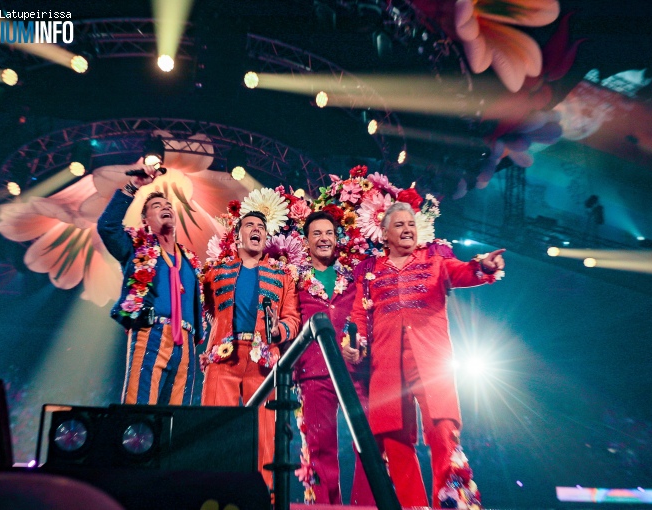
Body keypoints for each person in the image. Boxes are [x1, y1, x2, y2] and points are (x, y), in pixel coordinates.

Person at [345, 199, 505, 508]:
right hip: (387, 364)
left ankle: (451, 502)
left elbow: (465, 272)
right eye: (399, 225)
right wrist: (352, 346)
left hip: (432, 361)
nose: (407, 230)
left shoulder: (435, 261)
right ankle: (413, 505)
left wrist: (484, 266)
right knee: (394, 437)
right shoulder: (370, 273)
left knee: (442, 431)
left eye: (411, 225)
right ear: (384, 233)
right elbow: (358, 319)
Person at [200, 210, 300, 488]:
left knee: (267, 436)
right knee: (217, 429)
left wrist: (278, 331)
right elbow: (205, 311)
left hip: (265, 364)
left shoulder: (282, 276)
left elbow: (293, 319)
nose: (256, 229)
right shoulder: (216, 273)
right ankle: (215, 497)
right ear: (238, 235)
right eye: (250, 225)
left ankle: (266, 499)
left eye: (261, 227)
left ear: (266, 237)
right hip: (223, 361)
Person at [97, 165, 204, 405]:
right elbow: (107, 227)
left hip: (186, 342)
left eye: (168, 205)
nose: (166, 207)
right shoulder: (136, 249)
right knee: (139, 410)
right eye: (157, 206)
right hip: (150, 333)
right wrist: (133, 187)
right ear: (146, 220)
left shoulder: (189, 260)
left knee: (177, 419)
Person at [292, 211, 373, 505]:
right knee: (319, 447)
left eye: (329, 233)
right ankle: (326, 506)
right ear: (307, 241)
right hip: (313, 373)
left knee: (368, 443)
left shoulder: (353, 279)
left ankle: (367, 504)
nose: (324, 238)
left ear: (337, 240)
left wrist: (360, 347)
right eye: (317, 233)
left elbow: (363, 321)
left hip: (353, 371)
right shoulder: (294, 281)